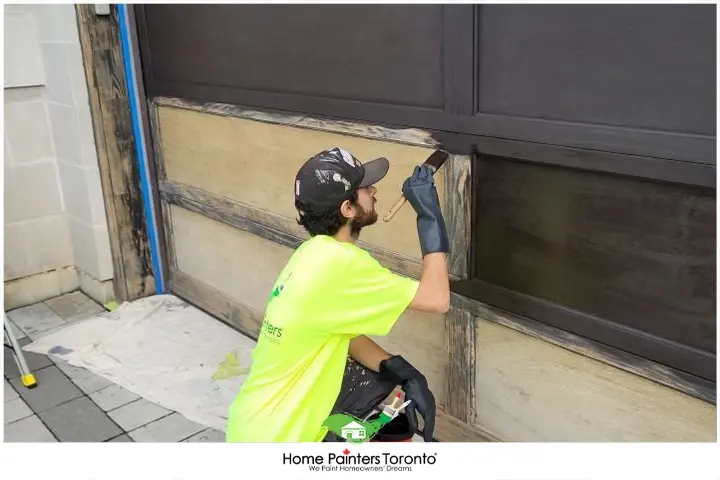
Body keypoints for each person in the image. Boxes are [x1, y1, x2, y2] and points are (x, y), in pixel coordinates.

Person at [225, 146, 450, 443]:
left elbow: (339, 333)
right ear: (347, 209)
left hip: (255, 427)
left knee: (377, 393)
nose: (375, 192)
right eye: (366, 188)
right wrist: (429, 215)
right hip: (283, 440)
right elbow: (437, 298)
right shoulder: (342, 264)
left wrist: (400, 370)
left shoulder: (311, 253)